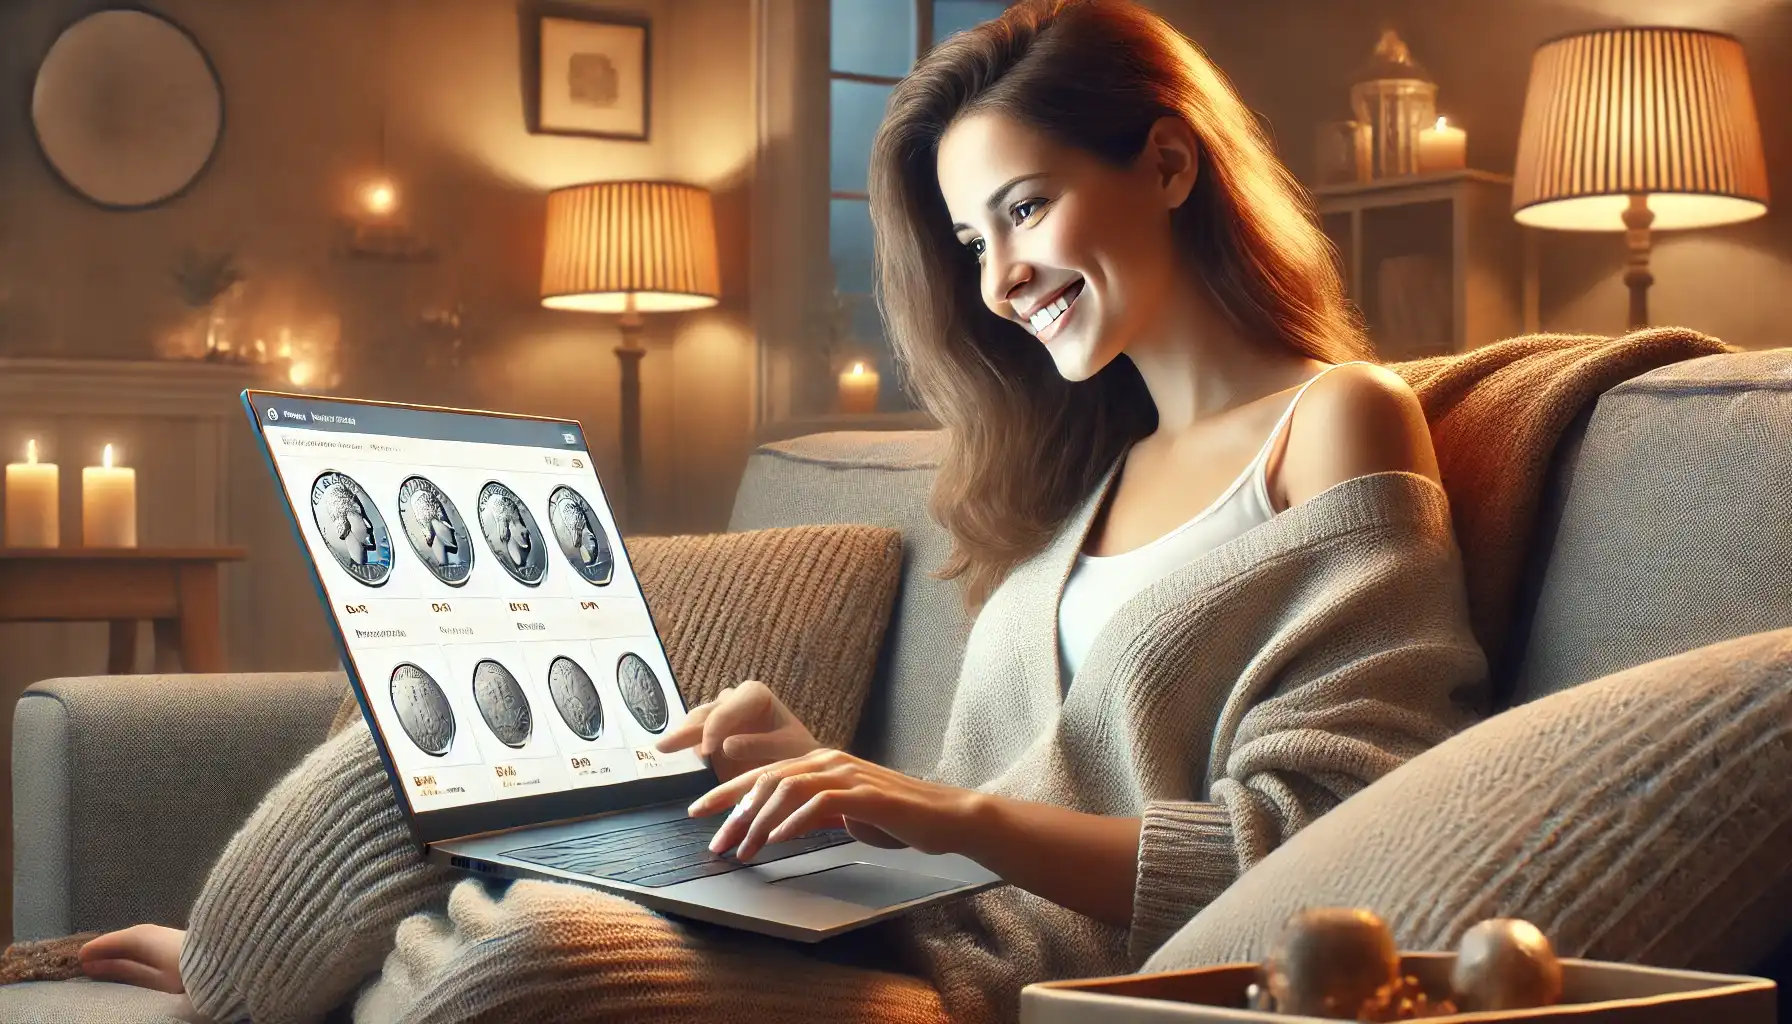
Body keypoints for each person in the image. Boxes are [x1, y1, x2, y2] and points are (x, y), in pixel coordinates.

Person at [78, 1, 1488, 1020]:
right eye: (968, 240)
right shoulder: (1092, 467)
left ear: (1170, 167)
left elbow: (1321, 844)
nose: (996, 280)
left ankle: (301, 991)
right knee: (439, 752)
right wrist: (824, 771)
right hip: (912, 913)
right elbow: (1005, 791)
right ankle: (238, 978)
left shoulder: (1337, 421)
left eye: (1024, 209)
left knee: (526, 957)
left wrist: (933, 814)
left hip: (1021, 974)